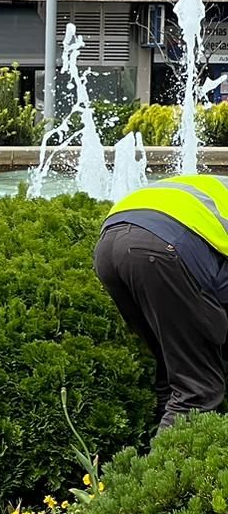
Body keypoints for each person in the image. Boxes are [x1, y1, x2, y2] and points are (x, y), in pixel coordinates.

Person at [94, 175, 228, 433]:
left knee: (173, 372)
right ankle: (162, 472)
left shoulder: (211, 187)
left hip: (109, 245)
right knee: (197, 391)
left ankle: (151, 455)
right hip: (161, 248)